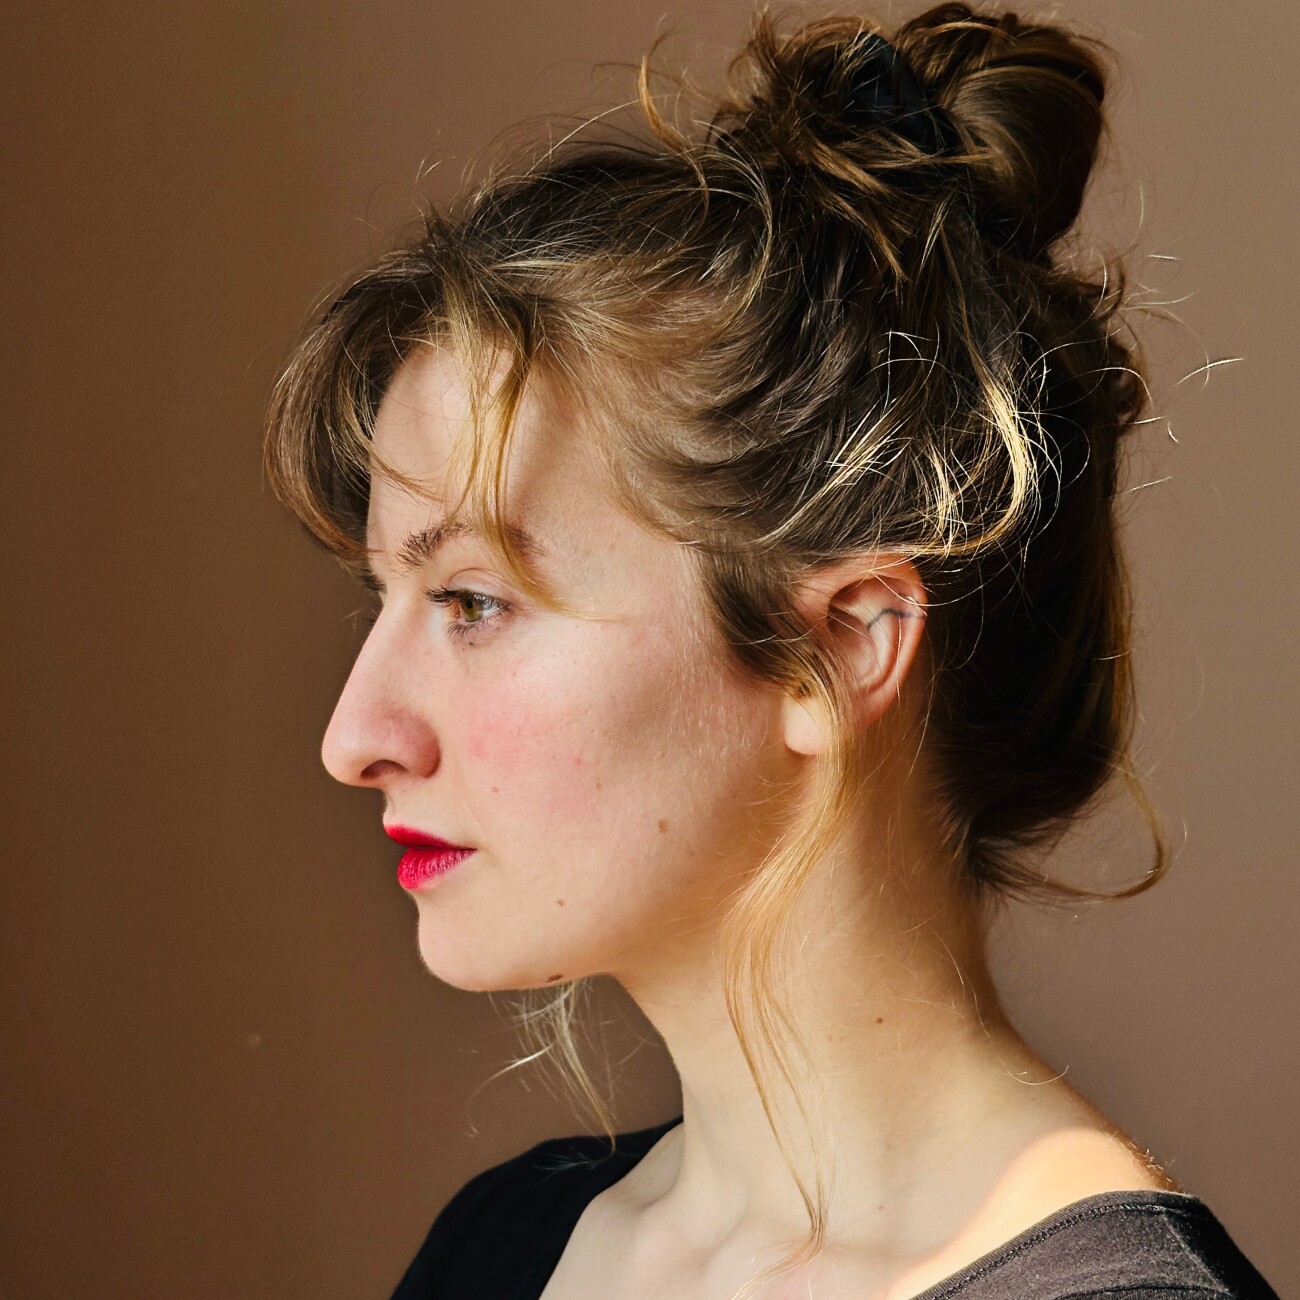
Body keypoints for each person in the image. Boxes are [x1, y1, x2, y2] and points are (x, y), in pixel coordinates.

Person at [263, 4, 1279, 1297]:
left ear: (844, 645)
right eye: (386, 599)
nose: (355, 738)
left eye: (472, 603)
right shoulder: (503, 1242)